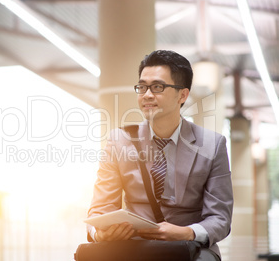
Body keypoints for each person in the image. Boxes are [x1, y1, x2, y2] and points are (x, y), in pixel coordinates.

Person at [87, 50, 233, 260]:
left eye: (157, 87)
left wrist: (187, 232)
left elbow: (220, 218)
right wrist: (99, 232)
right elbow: (100, 208)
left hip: (190, 249)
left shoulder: (213, 145)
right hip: (134, 247)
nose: (147, 95)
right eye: (142, 87)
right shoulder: (119, 140)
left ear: (182, 95)